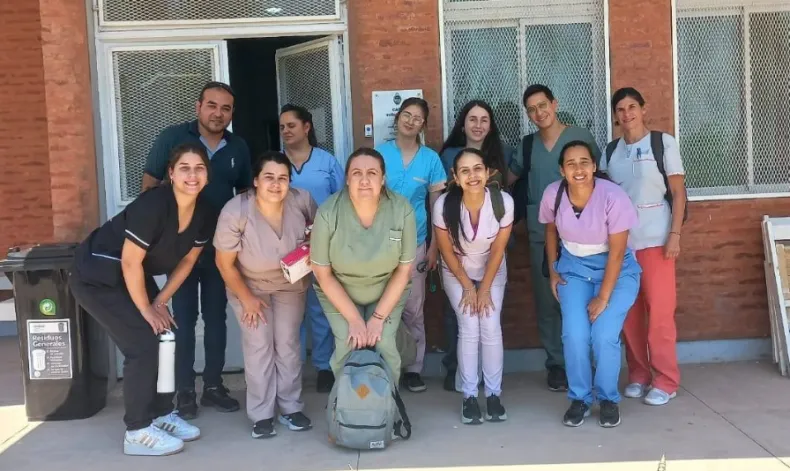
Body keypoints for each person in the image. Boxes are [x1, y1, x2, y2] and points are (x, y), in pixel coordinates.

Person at [68, 143, 212, 456]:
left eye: (199, 168)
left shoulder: (202, 213)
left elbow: (187, 262)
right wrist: (146, 309)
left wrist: (160, 301)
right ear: (171, 174)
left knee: (164, 336)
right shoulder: (155, 204)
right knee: (142, 344)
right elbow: (130, 262)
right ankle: (136, 430)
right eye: (184, 168)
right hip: (97, 275)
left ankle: (161, 414)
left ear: (207, 176)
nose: (192, 174)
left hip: (130, 275)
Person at [142, 81, 252, 418]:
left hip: (221, 250)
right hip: (181, 248)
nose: (218, 113)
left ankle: (214, 386)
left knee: (217, 319)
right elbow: (149, 185)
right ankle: (185, 390)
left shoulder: (238, 147)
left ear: (232, 113)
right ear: (198, 107)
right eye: (212, 106)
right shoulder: (173, 138)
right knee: (184, 319)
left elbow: (247, 194)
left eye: (226, 108)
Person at [214, 151, 317, 439]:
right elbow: (224, 263)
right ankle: (261, 414)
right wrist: (246, 298)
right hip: (248, 285)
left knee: (287, 344)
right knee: (259, 346)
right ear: (256, 181)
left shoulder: (302, 200)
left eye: (282, 178)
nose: (276, 184)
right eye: (269, 177)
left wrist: (307, 244)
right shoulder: (236, 210)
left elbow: (317, 231)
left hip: (290, 285)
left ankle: (291, 408)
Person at [539, 141, 641, 428]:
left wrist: (604, 297)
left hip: (617, 274)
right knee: (574, 334)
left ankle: (608, 399)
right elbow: (550, 229)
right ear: (562, 170)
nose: (578, 169)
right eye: (570, 164)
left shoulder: (613, 196)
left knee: (604, 334)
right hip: (574, 271)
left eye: (584, 162)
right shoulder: (553, 194)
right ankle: (580, 398)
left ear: (595, 166)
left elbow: (619, 253)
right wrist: (553, 269)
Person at [509, 84, 602, 392]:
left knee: (585, 300)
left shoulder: (580, 138)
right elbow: (509, 179)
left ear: (554, 103)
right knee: (549, 301)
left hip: (583, 233)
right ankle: (557, 365)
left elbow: (598, 178)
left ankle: (586, 360)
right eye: (532, 109)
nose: (539, 113)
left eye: (542, 105)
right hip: (540, 235)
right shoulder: (528, 146)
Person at [601, 87, 687, 406]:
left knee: (661, 313)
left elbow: (678, 193)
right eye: (620, 109)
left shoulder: (662, 143)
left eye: (632, 106)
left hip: (658, 242)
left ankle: (666, 379)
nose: (627, 114)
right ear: (615, 116)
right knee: (629, 314)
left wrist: (675, 234)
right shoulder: (610, 152)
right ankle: (638, 374)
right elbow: (606, 200)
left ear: (643, 108)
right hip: (624, 247)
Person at [310, 147, 417, 384]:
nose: (365, 180)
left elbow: (403, 270)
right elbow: (322, 274)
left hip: (386, 288)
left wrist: (377, 319)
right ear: (347, 179)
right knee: (348, 340)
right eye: (357, 173)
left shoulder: (401, 210)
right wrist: (355, 321)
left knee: (385, 341)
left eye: (372, 173)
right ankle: (346, 408)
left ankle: (388, 407)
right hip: (340, 289)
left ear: (383, 179)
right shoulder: (328, 212)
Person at [438, 100, 518, 392]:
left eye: (484, 119)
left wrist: (482, 285)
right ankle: (459, 373)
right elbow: (441, 204)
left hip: (491, 242)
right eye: (472, 119)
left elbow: (510, 193)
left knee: (488, 320)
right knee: (461, 317)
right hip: (457, 247)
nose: (478, 125)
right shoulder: (447, 156)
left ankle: (489, 384)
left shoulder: (503, 154)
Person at [433, 148, 513, 424]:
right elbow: (446, 252)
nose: (472, 175)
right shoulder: (443, 205)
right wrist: (469, 287)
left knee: (490, 324)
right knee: (469, 325)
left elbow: (498, 251)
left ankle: (493, 395)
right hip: (458, 272)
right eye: (464, 171)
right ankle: (469, 396)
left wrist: (485, 287)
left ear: (488, 171)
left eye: (477, 168)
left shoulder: (503, 202)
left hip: (492, 270)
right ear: (455, 176)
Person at [375, 97, 447, 392]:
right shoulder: (379, 155)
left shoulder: (430, 159)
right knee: (381, 306)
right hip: (379, 245)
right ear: (397, 118)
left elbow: (436, 207)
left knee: (414, 309)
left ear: (423, 125)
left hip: (415, 242)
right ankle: (382, 366)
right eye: (406, 115)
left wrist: (433, 248)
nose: (410, 121)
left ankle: (413, 369)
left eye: (417, 118)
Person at [279, 104, 344, 393]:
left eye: (291, 125)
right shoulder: (276, 164)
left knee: (320, 308)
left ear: (307, 127)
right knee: (291, 309)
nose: (285, 131)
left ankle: (323, 367)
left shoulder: (327, 162)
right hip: (285, 248)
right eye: (282, 127)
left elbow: (343, 202)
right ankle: (290, 370)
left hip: (321, 245)